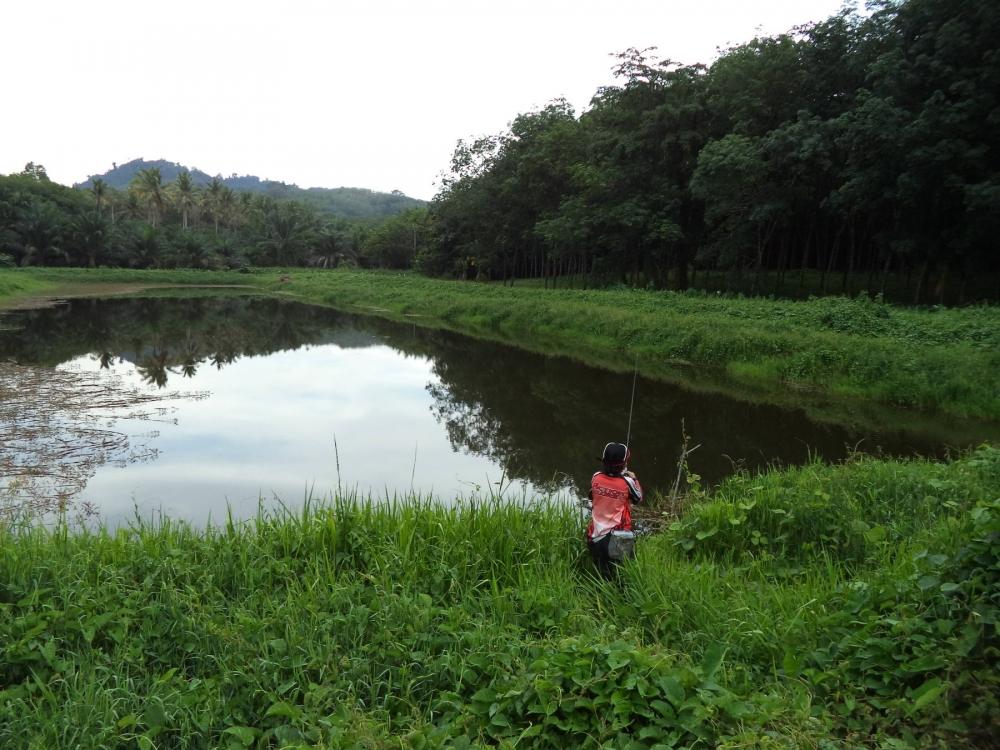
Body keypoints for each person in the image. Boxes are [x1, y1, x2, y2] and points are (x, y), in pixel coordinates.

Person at [586, 442, 642, 578]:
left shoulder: (596, 476)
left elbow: (591, 495)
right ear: (623, 465)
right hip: (617, 537)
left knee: (601, 569)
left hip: (594, 536)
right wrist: (634, 478)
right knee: (621, 571)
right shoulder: (627, 481)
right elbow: (638, 498)